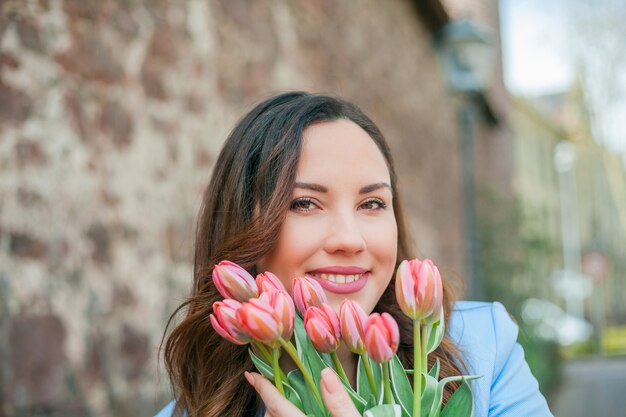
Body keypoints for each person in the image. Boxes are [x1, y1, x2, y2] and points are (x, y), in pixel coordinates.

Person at [154, 92, 553, 417]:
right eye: (305, 204)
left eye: (372, 204)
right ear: (244, 227)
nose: (349, 239)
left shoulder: (483, 349)